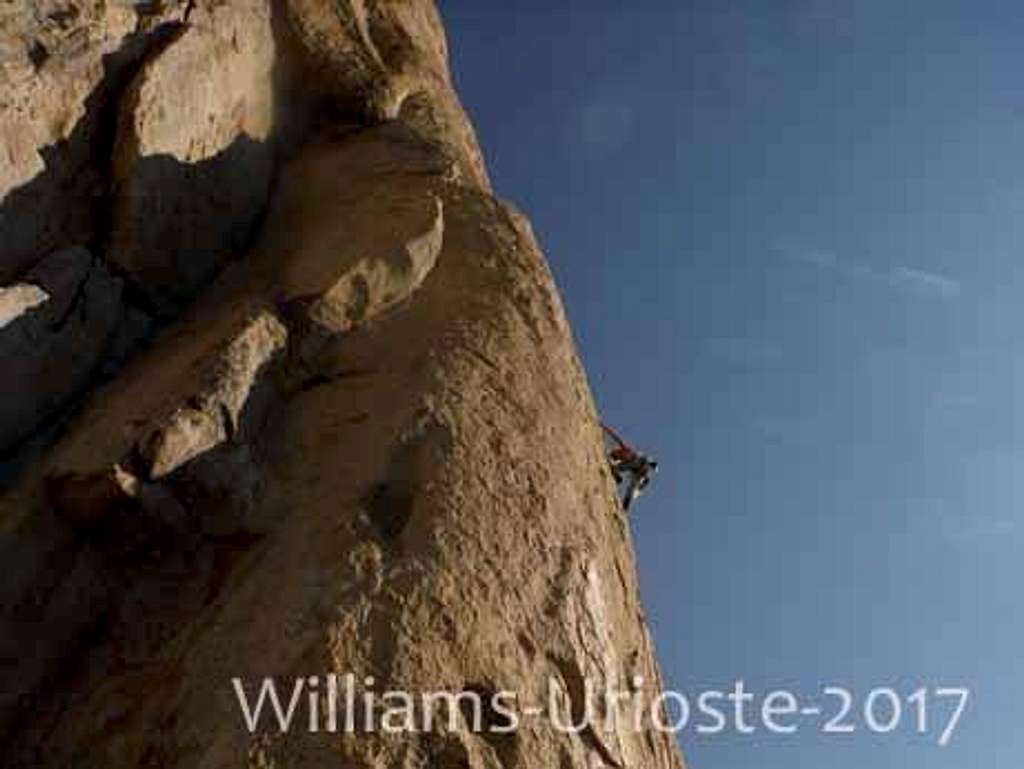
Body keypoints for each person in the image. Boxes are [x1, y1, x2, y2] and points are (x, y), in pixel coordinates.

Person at [602, 424, 658, 511]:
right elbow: (619, 441)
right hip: (630, 462)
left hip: (633, 467)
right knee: (632, 461)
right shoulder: (637, 458)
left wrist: (634, 494)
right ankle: (616, 469)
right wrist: (606, 430)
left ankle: (626, 503)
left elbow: (640, 486)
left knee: (633, 485)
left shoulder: (645, 474)